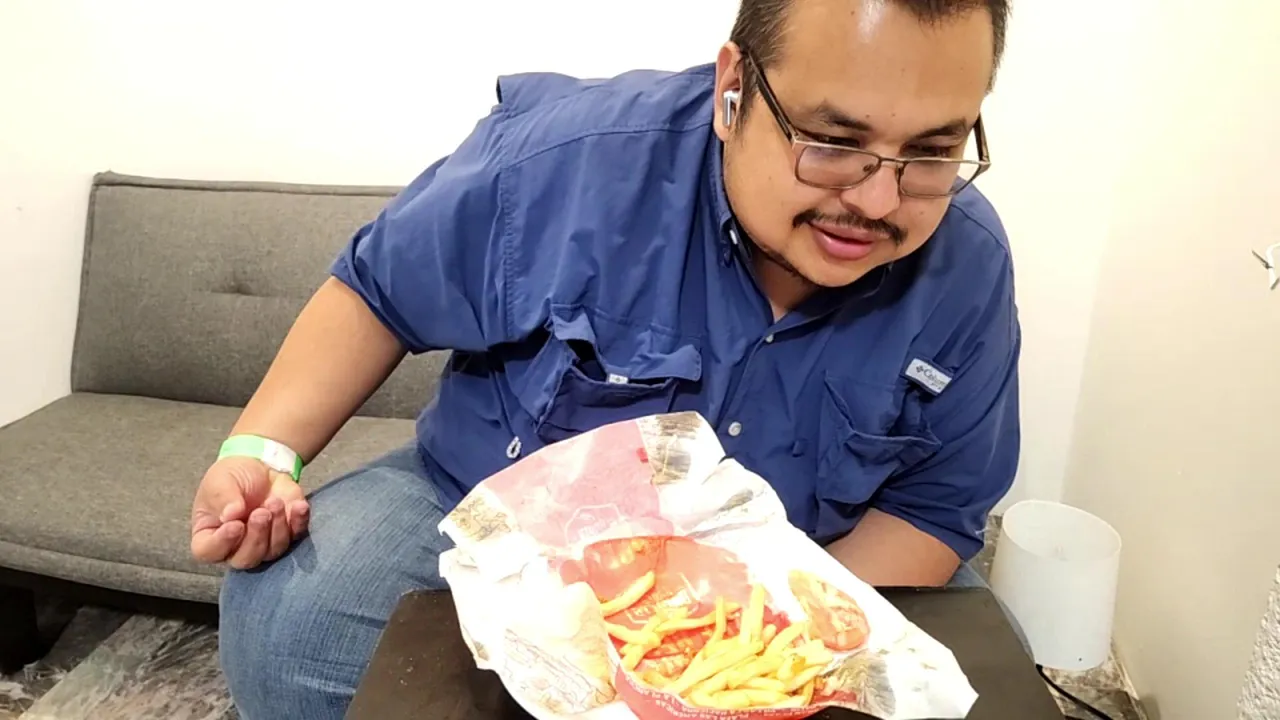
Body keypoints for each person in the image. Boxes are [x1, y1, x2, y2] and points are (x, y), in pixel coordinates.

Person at [193, 0, 1018, 717]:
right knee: (293, 626)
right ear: (733, 89)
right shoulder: (566, 158)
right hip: (500, 517)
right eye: (834, 141)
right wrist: (263, 451)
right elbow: (380, 293)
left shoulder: (968, 263)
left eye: (931, 150)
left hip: (804, 566)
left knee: (990, 680)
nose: (876, 200)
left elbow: (932, 508)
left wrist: (762, 658)